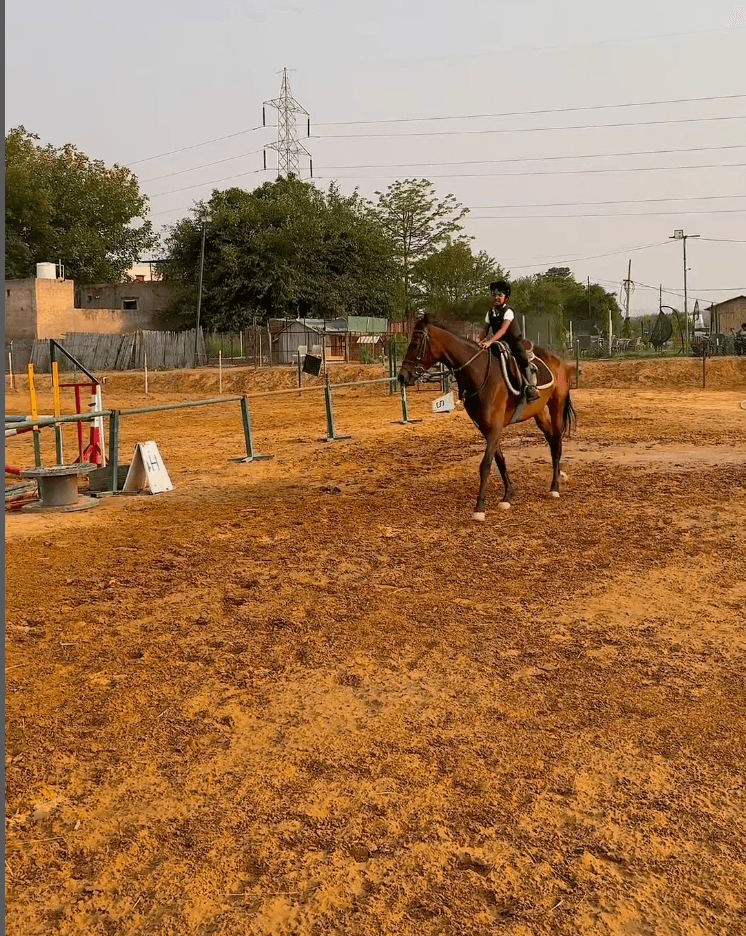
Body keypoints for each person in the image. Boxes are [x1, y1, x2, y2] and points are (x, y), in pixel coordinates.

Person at [478, 280, 539, 401]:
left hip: (514, 342)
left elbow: (502, 330)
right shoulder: (490, 313)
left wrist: (489, 341)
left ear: (506, 298)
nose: (496, 297)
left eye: (500, 295)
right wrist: (477, 340)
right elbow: (484, 330)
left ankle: (530, 387)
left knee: (521, 357)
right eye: (493, 295)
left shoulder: (508, 312)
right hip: (499, 343)